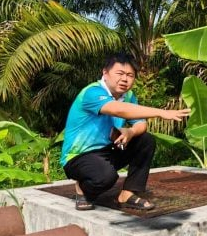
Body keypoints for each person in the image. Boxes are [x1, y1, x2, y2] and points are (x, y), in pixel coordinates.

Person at [61, 54, 190, 211]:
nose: (124, 79)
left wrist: (130, 131)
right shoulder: (92, 92)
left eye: (130, 75)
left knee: (146, 140)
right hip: (78, 157)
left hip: (109, 150)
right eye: (120, 74)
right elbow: (119, 110)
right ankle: (82, 188)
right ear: (105, 73)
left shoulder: (128, 96)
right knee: (106, 178)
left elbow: (141, 124)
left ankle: (127, 194)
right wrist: (161, 112)